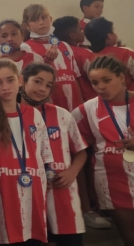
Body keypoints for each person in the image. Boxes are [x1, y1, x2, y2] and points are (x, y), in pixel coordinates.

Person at [0, 59, 54, 245]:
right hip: (0, 196)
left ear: (19, 80)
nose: (5, 87)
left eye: (10, 80)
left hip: (31, 195)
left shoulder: (34, 115)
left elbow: (44, 155)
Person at [20, 62, 87, 245]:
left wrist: (72, 172)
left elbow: (81, 151)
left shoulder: (62, 115)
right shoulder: (9, 116)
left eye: (48, 85)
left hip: (63, 196)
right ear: (22, 81)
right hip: (27, 195)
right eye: (37, 82)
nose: (42, 89)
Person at [73, 55, 134, 245]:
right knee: (130, 237)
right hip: (112, 181)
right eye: (95, 82)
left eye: (106, 80)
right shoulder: (85, 110)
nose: (100, 87)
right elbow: (74, 144)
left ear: (122, 78)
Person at [21, 4, 83, 111]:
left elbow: (74, 76)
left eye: (44, 18)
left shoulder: (65, 45)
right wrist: (47, 61)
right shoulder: (26, 47)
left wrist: (81, 103)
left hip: (74, 104)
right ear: (27, 25)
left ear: (50, 19)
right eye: (35, 20)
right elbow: (27, 80)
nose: (41, 22)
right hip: (49, 103)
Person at [52, 16, 96, 101]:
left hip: (66, 99)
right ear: (72, 36)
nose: (83, 31)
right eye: (80, 29)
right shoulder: (85, 54)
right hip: (89, 100)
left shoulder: (55, 53)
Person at [85, 17, 134, 91]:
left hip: (103, 98)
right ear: (109, 36)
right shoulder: (126, 52)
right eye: (113, 31)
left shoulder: (88, 57)